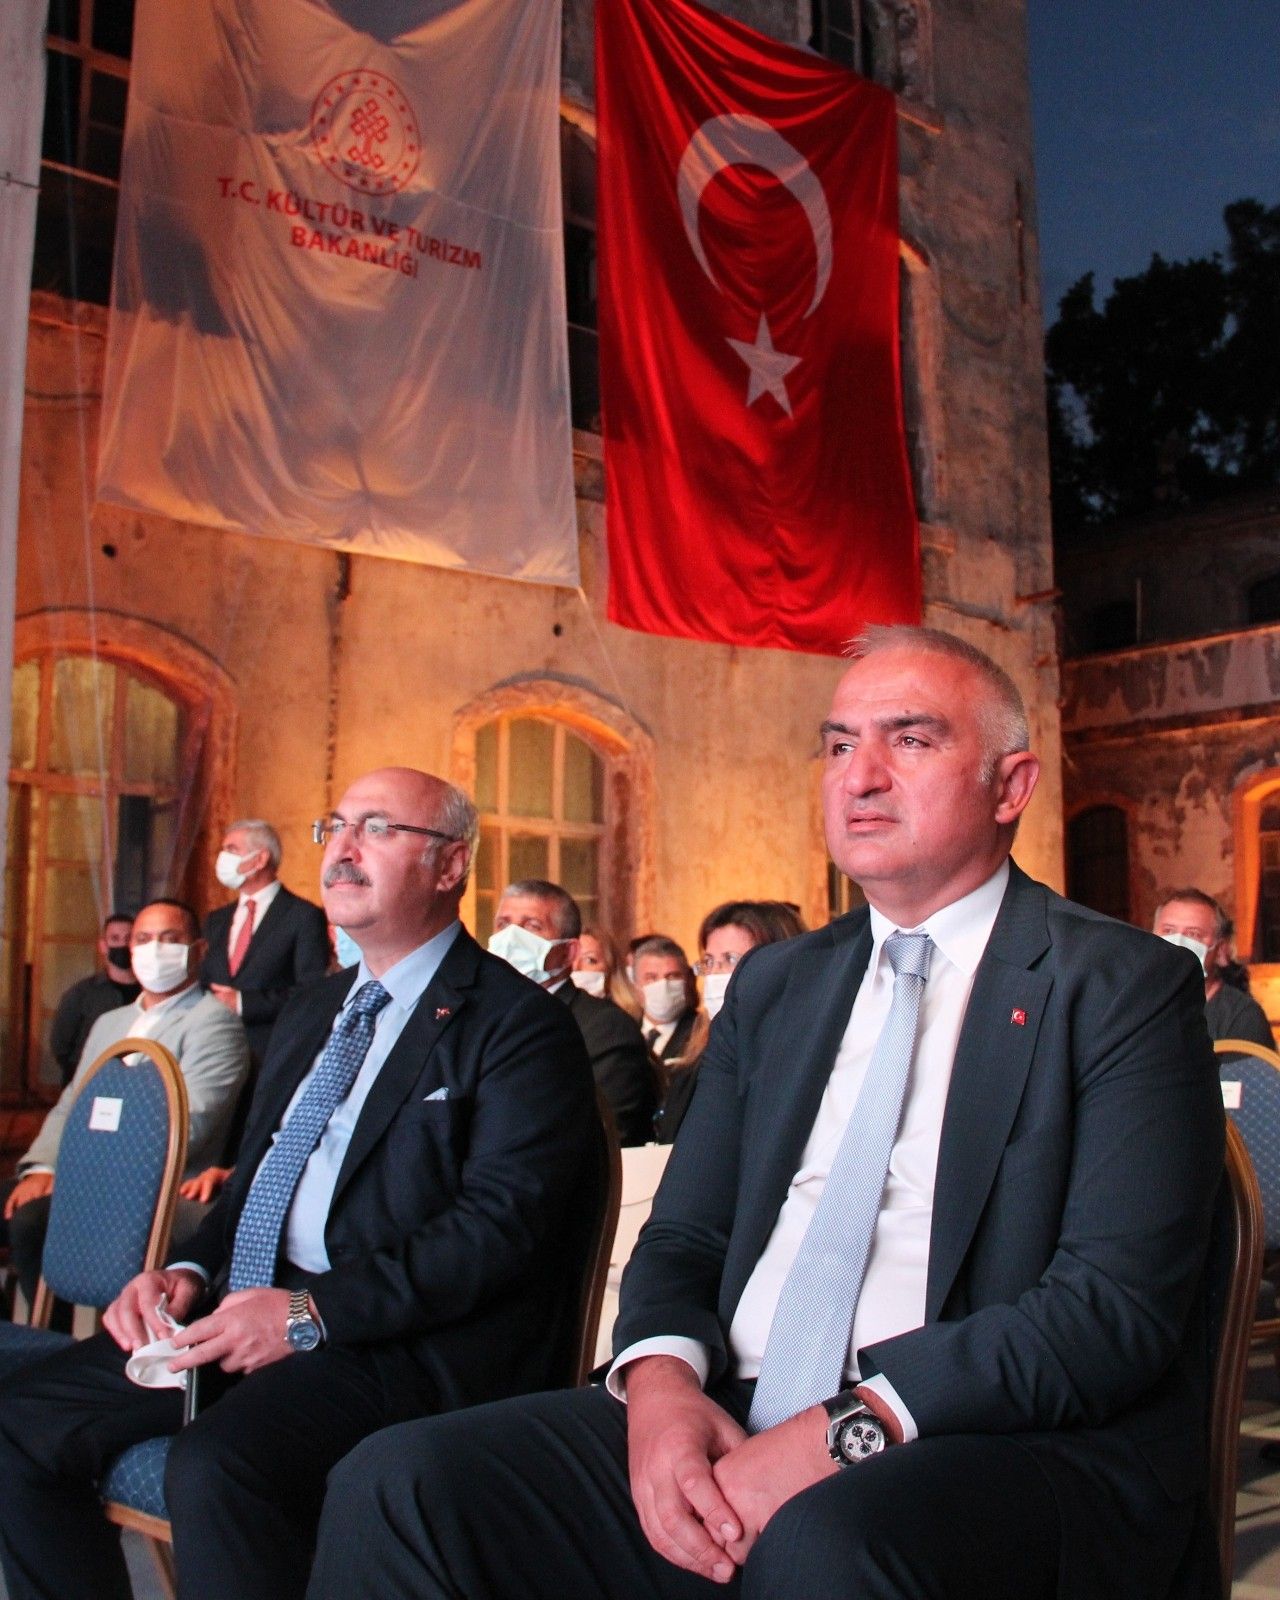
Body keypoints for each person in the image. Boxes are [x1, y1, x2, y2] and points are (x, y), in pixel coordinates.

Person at [308, 626, 1224, 1600]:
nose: (859, 776)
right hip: (727, 1402)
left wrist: (845, 1429)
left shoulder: (1118, 985)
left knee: (821, 1546)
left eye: (910, 740)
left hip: (973, 1430)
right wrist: (659, 1385)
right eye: (838, 744)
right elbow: (685, 1235)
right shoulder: (779, 985)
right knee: (400, 1484)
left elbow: (1106, 1310)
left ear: (1010, 786)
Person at [0, 768, 596, 1600]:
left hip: (393, 1340)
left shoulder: (519, 1026)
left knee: (217, 1466)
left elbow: (498, 1230)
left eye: (378, 828)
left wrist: (308, 1313)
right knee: (19, 1421)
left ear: (451, 865)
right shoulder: (315, 1010)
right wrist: (188, 1270)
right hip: (243, 1308)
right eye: (335, 826)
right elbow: (257, 1179)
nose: (343, 850)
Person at [2, 898, 251, 1307]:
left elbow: (186, 1125)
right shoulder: (110, 1023)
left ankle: (58, 1336)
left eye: (169, 939)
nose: (155, 950)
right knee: (17, 1204)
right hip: (81, 1170)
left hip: (160, 1186)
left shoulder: (213, 1024)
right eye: (144, 939)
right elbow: (71, 1104)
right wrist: (45, 1167)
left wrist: (75, 1173)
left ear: (199, 950)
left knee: (33, 1221)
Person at [491, 879, 656, 1145]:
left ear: (569, 952)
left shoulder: (605, 1027)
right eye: (503, 924)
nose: (511, 938)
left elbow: (605, 1130)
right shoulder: (480, 1017)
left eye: (532, 926)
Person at [657, 901, 805, 1146]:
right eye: (709, 961)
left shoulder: (792, 1057)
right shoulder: (697, 1053)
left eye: (731, 959)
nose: (715, 974)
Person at [200, 818, 331, 1066]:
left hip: (269, 1052)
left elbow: (311, 991)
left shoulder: (303, 916)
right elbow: (204, 980)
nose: (222, 858)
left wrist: (242, 1002)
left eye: (231, 850)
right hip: (213, 1049)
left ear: (260, 859)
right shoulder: (216, 920)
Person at [1153, 887, 1274, 1049]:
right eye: (1168, 931)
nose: (1177, 942)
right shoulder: (1133, 1004)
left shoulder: (1242, 1017)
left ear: (1221, 951)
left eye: (1193, 934)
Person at [47, 913, 141, 1087]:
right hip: (88, 1083)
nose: (122, 945)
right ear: (103, 946)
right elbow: (60, 1046)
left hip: (138, 1082)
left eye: (128, 938)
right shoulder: (81, 994)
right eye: (115, 938)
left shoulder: (151, 994)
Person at [632, 935, 700, 1068]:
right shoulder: (624, 1031)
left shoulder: (702, 1035)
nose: (663, 985)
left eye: (673, 976)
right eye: (651, 978)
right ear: (636, 986)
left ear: (689, 981)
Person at [573, 924, 643, 1019]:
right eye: (571, 958)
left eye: (590, 960)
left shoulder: (620, 1019)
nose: (575, 967)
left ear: (610, 968)